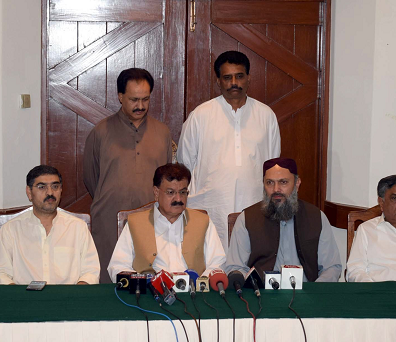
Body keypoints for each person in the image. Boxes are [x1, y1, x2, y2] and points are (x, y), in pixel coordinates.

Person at [177, 51, 280, 252]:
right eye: (227, 77)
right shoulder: (200, 116)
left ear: (248, 78)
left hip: (254, 206)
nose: (234, 82)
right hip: (210, 207)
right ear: (218, 81)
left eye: (239, 76)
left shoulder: (266, 116)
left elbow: (273, 166)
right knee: (211, 262)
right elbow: (184, 165)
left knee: (250, 261)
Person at [83, 68, 172, 283]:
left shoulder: (162, 133)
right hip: (109, 220)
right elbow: (91, 178)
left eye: (145, 99)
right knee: (109, 278)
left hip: (152, 220)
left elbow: (167, 177)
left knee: (151, 276)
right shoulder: (101, 132)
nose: (140, 106)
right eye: (134, 99)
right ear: (120, 97)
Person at [225, 158, 341, 282]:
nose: (276, 189)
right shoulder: (246, 219)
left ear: (297, 184)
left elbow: (331, 267)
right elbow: (235, 267)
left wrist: (314, 291)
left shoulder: (316, 217)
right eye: (269, 182)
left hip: (307, 293)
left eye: (283, 182)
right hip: (262, 295)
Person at [108, 163, 225, 281]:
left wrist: (201, 282)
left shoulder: (202, 222)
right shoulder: (135, 224)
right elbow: (118, 266)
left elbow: (217, 263)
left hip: (194, 293)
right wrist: (141, 283)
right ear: (156, 192)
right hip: (150, 294)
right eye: (171, 192)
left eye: (183, 192)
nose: (178, 199)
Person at [0, 165, 99, 285]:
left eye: (55, 186)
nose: (50, 192)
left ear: (61, 190)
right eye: (42, 187)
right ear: (29, 192)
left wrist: (76, 294)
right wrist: (18, 297)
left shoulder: (78, 227)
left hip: (68, 299)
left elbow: (91, 271)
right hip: (25, 299)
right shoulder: (11, 229)